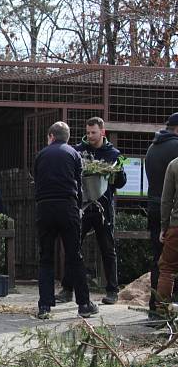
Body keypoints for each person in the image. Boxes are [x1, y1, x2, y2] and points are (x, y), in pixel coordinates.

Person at [55, 117, 126, 305]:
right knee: (73, 246)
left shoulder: (113, 154)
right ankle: (67, 289)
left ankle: (112, 291)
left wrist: (116, 171)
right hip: (83, 207)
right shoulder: (79, 151)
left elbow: (121, 183)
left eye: (93, 132)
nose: (90, 136)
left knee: (108, 249)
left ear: (103, 132)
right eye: (88, 132)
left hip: (104, 208)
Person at [34, 121, 98, 319]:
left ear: (51, 136)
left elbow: (37, 182)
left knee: (46, 257)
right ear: (67, 138)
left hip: (45, 207)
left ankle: (44, 306)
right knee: (74, 256)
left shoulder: (41, 155)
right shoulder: (73, 154)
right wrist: (78, 207)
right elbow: (79, 185)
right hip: (68, 207)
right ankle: (84, 304)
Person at [145, 112, 178, 316]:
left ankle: (156, 308)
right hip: (171, 213)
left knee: (161, 262)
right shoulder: (175, 149)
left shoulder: (152, 147)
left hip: (155, 210)